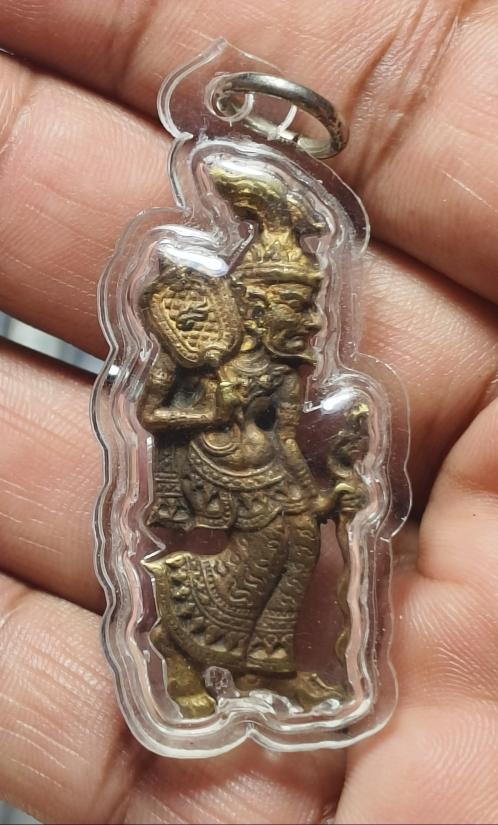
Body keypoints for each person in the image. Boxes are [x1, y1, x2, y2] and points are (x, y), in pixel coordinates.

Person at [0, 2, 497, 822]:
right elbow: (154, 408)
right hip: (215, 469)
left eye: (311, 304)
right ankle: (183, 652)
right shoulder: (206, 347)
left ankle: (271, 664)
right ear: (253, 302)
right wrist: (209, 405)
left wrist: (334, 470)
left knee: (302, 541)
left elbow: (293, 423)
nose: (309, 319)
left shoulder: (289, 364)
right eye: (292, 306)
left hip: (271, 470)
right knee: (260, 549)